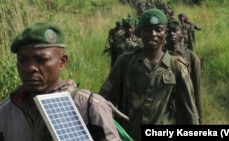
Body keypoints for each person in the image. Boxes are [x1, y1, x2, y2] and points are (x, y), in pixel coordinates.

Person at [0, 22, 122, 141]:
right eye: (22, 60)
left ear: (62, 62)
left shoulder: (90, 107)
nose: (30, 68)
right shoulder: (5, 111)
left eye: (41, 59)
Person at [99, 8, 199, 141]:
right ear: (139, 33)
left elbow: (189, 113)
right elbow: (103, 101)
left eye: (158, 30)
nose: (153, 34)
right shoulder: (125, 63)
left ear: (166, 33)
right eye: (147, 30)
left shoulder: (177, 68)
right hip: (129, 136)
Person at [164, 20, 203, 124]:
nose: (172, 34)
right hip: (164, 110)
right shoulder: (159, 55)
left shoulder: (190, 56)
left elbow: (197, 89)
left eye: (175, 31)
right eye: (169, 31)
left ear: (180, 32)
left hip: (185, 107)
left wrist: (200, 118)